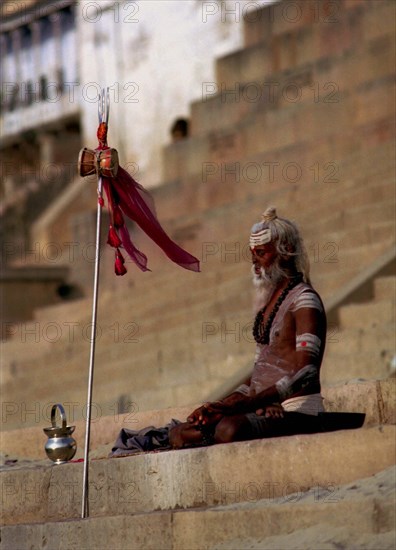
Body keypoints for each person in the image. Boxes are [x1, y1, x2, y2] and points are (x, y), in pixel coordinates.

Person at [169, 206, 327, 448]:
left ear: (287, 252)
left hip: (297, 410)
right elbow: (260, 374)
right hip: (260, 407)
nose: (254, 260)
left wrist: (247, 405)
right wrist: (220, 406)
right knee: (179, 433)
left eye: (261, 253)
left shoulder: (304, 300)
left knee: (229, 428)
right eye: (252, 253)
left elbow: (305, 374)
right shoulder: (269, 304)